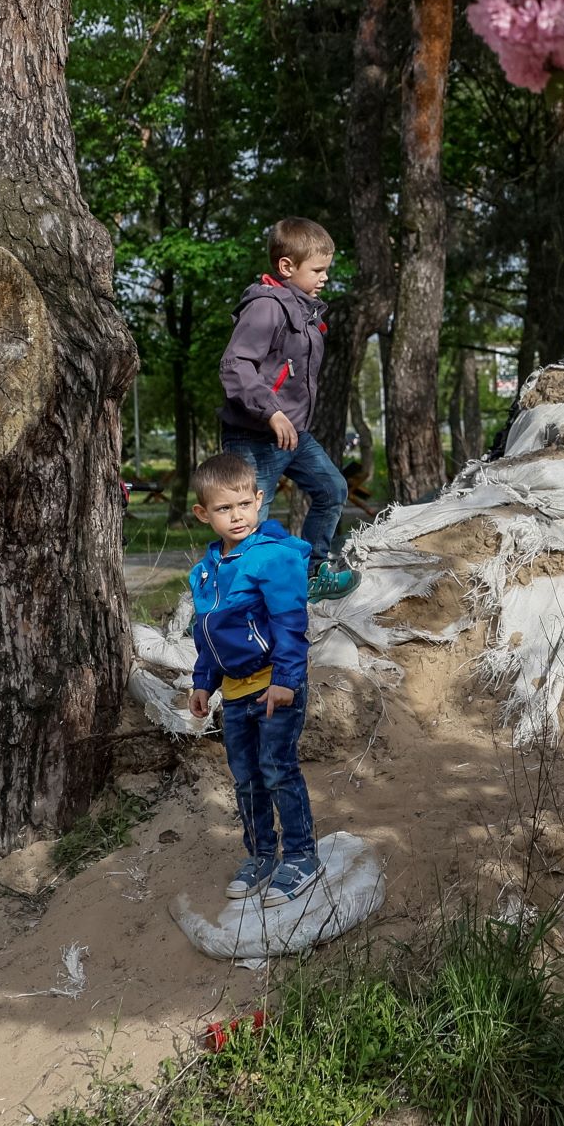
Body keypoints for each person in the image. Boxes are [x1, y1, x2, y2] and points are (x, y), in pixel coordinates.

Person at [185, 451, 321, 904]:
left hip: (273, 687)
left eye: (244, 504)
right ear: (204, 514)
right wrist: (203, 681)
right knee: (245, 777)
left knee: (277, 769)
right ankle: (262, 854)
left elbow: (289, 623)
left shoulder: (272, 558)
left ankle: (301, 856)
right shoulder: (204, 572)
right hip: (236, 694)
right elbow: (206, 633)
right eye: (224, 509)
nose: (236, 515)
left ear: (259, 499)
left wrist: (286, 679)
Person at [219, 217, 358, 601]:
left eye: (326, 269)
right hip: (255, 434)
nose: (325, 277)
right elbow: (235, 366)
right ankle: (227, 603)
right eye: (318, 270)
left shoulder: (305, 312)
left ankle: (313, 573)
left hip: (292, 433)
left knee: (332, 488)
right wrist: (270, 412)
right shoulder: (266, 307)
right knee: (247, 519)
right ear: (287, 267)